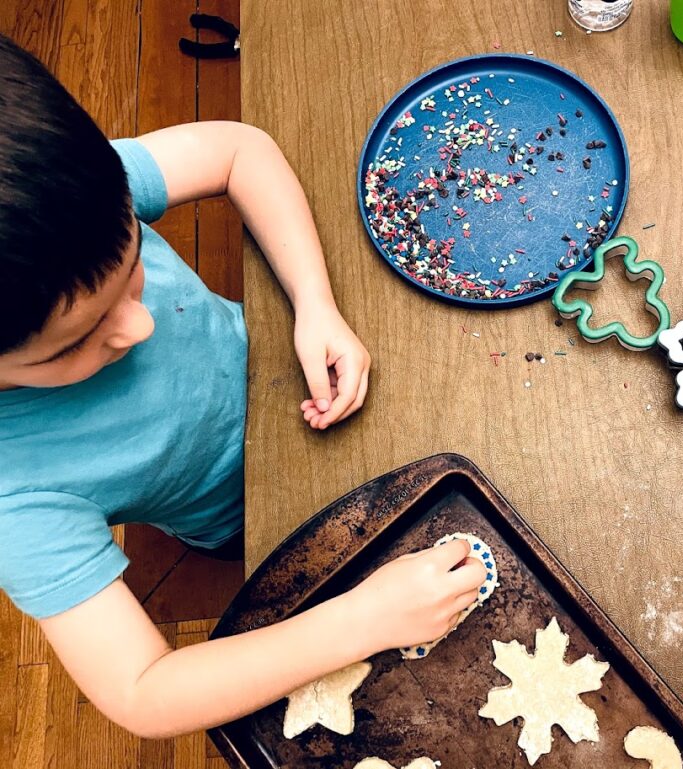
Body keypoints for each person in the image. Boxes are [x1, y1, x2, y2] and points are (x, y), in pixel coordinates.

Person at [0, 33, 486, 738]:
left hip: (284, 377)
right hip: (244, 515)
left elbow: (238, 150)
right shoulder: (15, 500)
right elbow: (143, 692)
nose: (137, 327)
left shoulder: (65, 197)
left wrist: (312, 299)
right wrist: (362, 619)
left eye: (133, 265)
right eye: (78, 340)